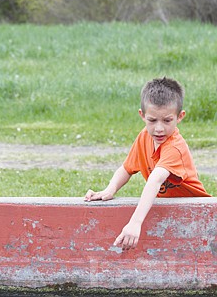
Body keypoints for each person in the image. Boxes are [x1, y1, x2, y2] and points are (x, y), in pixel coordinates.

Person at [84, 77, 211, 251]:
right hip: (168, 213)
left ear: (179, 117)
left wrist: (135, 223)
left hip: (199, 217)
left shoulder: (175, 147)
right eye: (152, 120)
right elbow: (126, 169)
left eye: (167, 121)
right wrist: (110, 189)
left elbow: (155, 180)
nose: (159, 128)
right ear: (142, 115)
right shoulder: (144, 137)